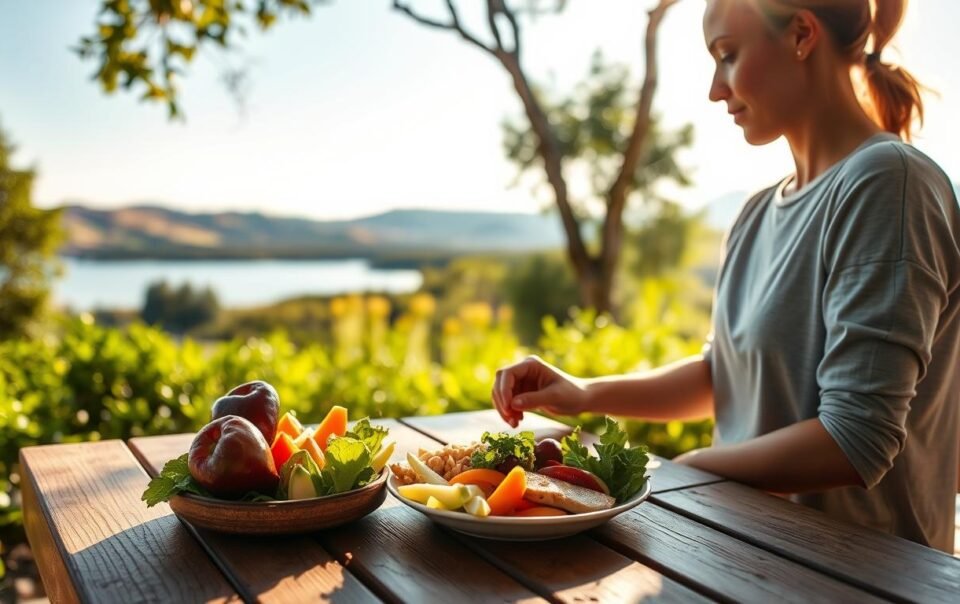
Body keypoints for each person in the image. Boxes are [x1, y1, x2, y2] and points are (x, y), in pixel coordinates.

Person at [492, 0, 960, 553]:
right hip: (737, 555)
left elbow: (855, 439)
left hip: (853, 578)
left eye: (728, 56)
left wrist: (687, 470)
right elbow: (725, 376)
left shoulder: (888, 184)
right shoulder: (757, 212)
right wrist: (584, 393)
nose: (716, 88)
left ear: (802, 35)